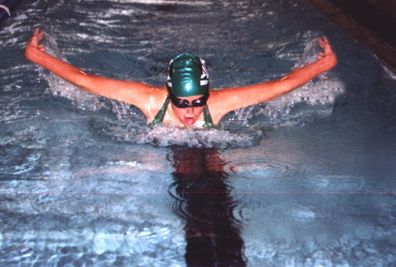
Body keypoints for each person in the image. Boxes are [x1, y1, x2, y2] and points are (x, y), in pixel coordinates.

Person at [25, 28, 337, 128]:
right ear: (168, 93)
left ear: (207, 94)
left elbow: (279, 87)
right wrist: (37, 55)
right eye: (181, 103)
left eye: (197, 102)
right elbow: (85, 81)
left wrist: (324, 65)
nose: (190, 112)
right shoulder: (149, 99)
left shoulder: (219, 103)